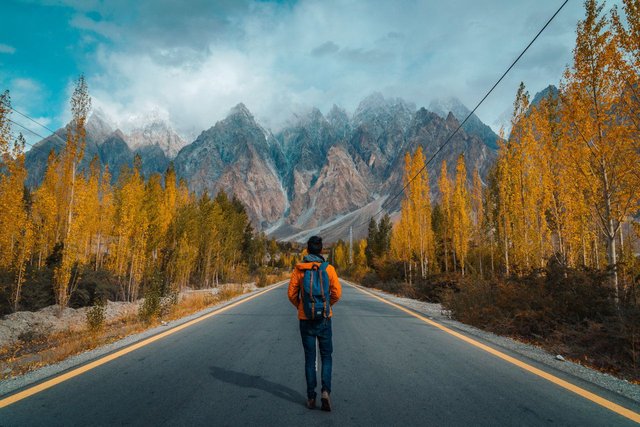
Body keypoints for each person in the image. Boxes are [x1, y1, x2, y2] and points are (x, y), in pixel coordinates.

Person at [288, 235, 342, 411]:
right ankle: (325, 391)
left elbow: (291, 294)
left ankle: (311, 398)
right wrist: (327, 306)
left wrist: (301, 307)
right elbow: (337, 293)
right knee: (326, 356)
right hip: (324, 319)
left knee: (310, 359)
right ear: (321, 250)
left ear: (307, 250)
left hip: (306, 320)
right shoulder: (329, 269)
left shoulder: (299, 269)